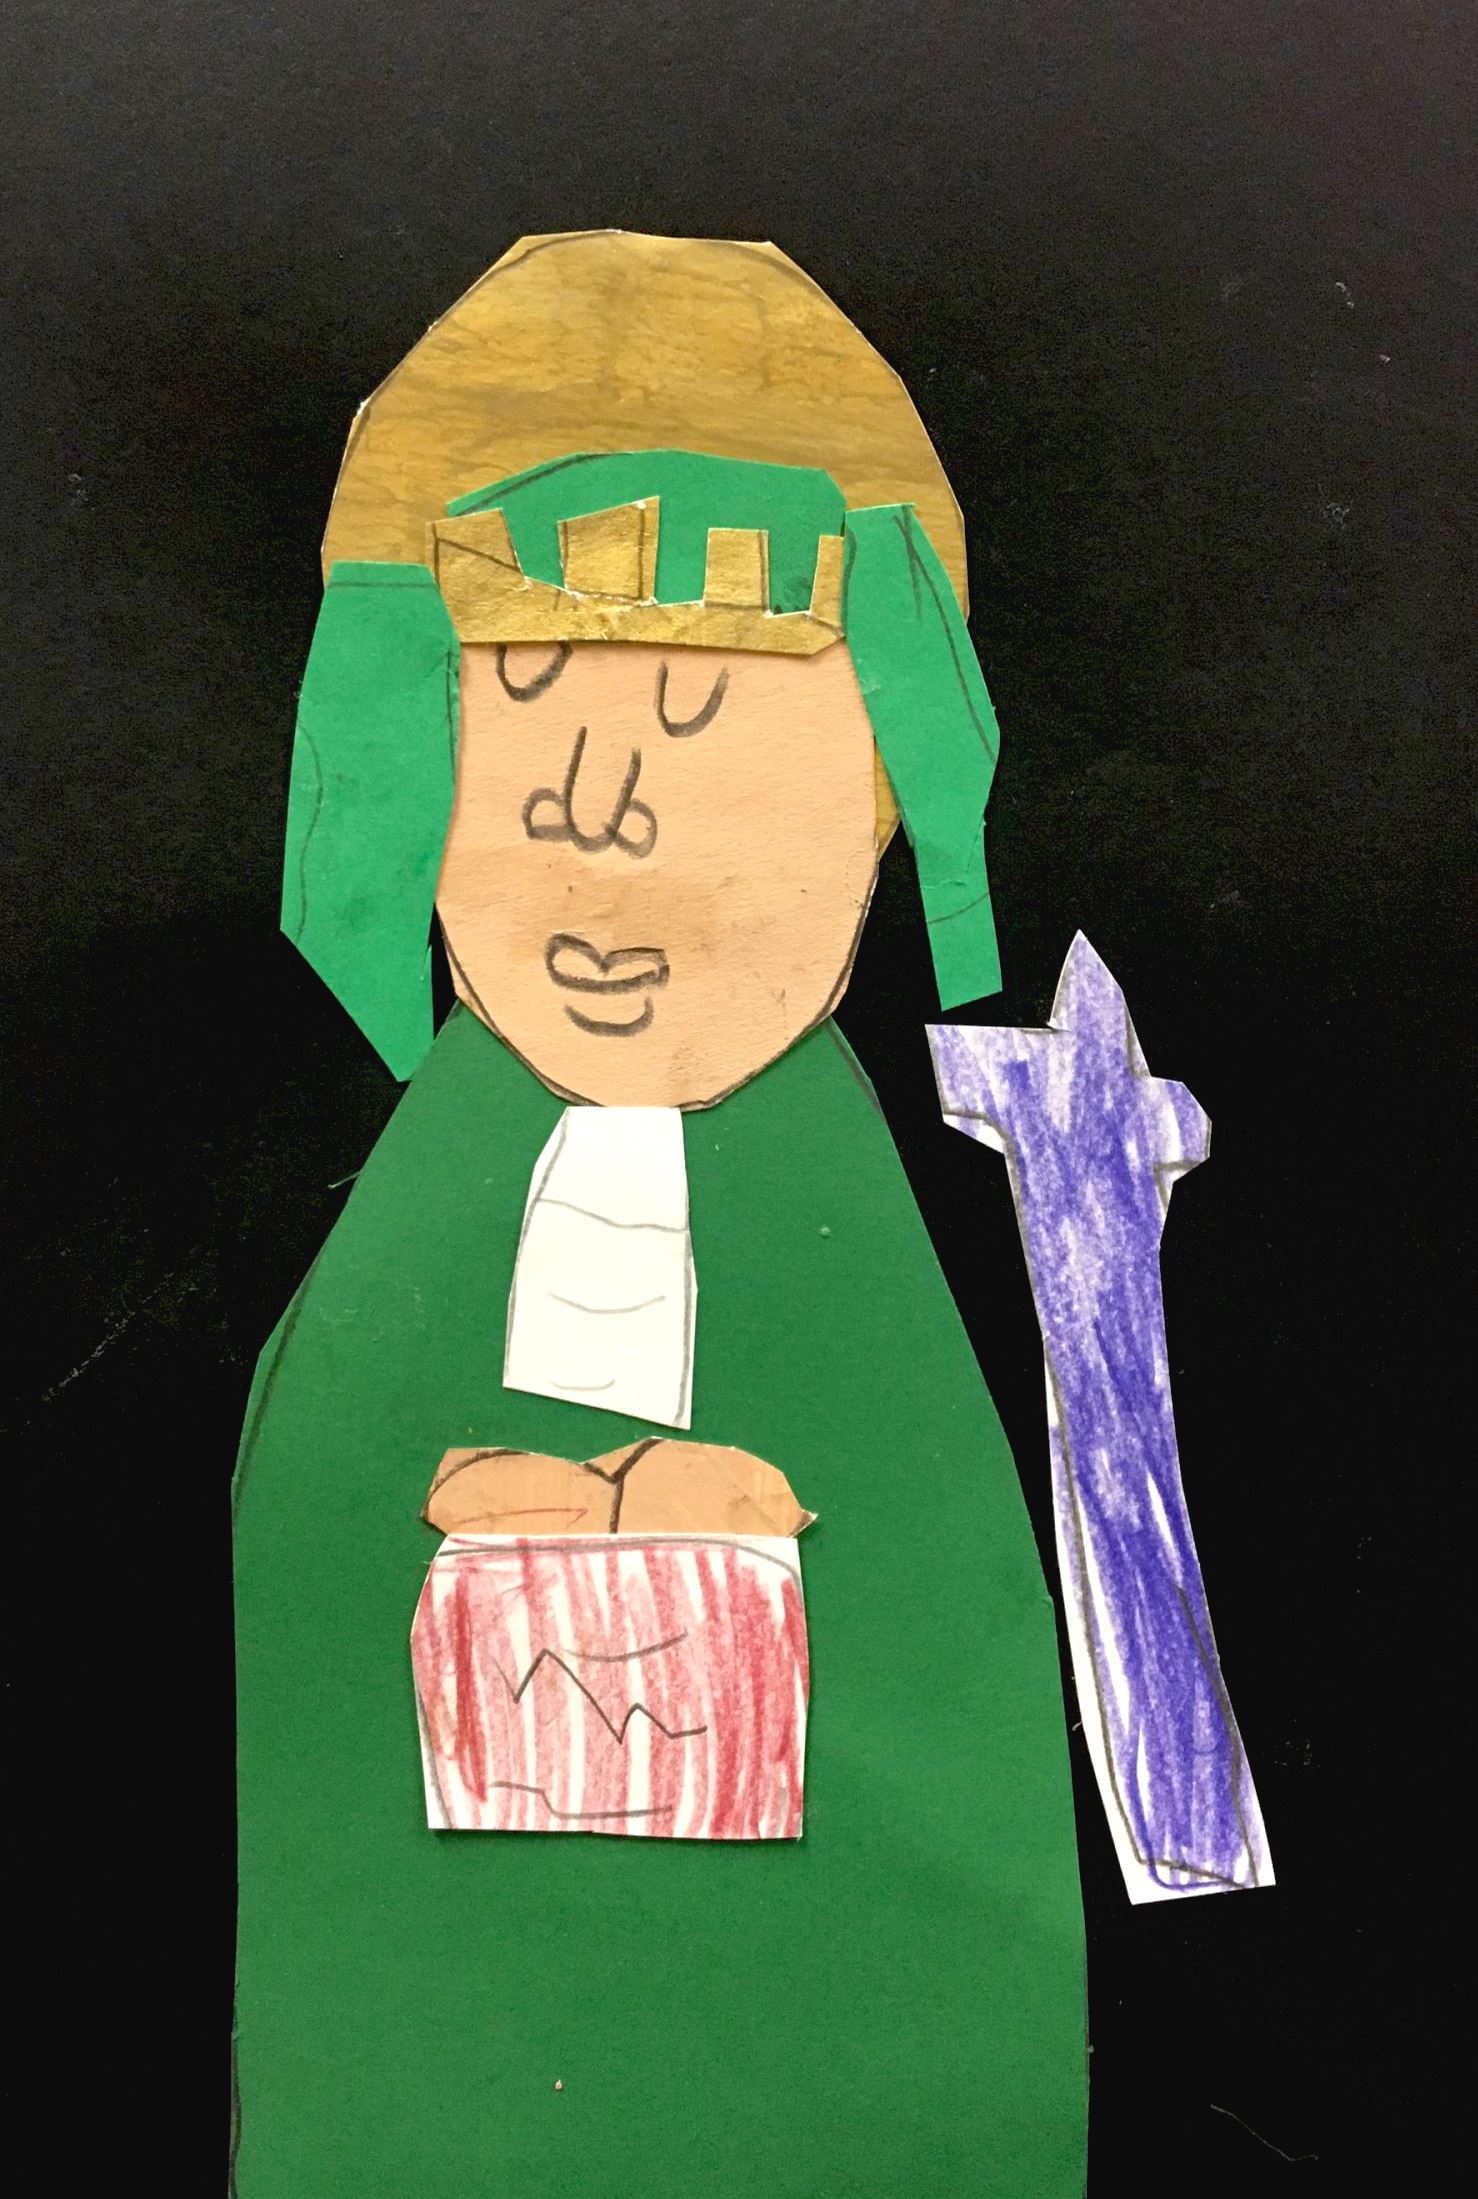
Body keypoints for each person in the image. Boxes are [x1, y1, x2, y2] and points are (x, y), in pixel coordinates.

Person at [233, 234, 1086, 2198]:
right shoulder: (426, 1207)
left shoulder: (851, 1223)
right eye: (524, 703)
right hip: (448, 2038)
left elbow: (942, 1660)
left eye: (705, 727)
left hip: (826, 2041)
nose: (602, 817)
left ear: (880, 774)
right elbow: (316, 1612)